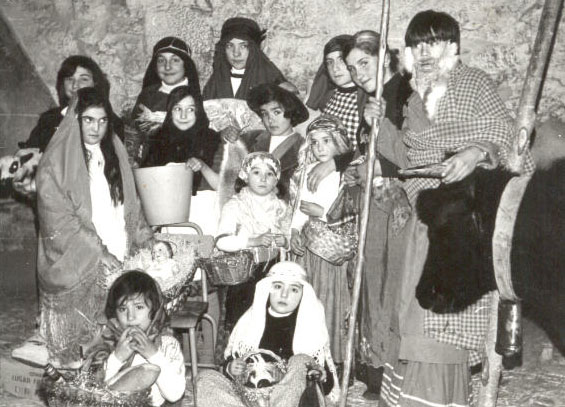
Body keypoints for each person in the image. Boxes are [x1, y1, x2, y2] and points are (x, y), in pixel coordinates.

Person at [366, 11, 534, 407]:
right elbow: (411, 158)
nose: (424, 52)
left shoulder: (473, 82)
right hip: (423, 222)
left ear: (453, 47)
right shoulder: (413, 96)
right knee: (413, 318)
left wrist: (476, 152)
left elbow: (509, 139)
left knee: (440, 324)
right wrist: (379, 126)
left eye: (434, 42)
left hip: (460, 228)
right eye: (417, 44)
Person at [34, 87, 155, 367]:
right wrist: (99, 252)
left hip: (117, 249)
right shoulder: (54, 163)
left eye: (102, 121)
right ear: (75, 120)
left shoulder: (113, 153)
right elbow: (60, 219)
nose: (96, 128)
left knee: (114, 348)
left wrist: (147, 239)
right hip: (82, 260)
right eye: (88, 120)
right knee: (78, 352)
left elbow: (130, 206)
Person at [341, 29, 412, 398]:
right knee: (371, 283)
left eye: (364, 63)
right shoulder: (369, 99)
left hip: (400, 202)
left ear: (384, 56)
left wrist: (380, 122)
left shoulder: (405, 92)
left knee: (393, 286)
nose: (358, 74)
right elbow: (370, 152)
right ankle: (376, 368)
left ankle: (395, 371)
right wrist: (358, 169)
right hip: (375, 198)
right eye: (352, 68)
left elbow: (410, 156)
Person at [196, 261, 340, 406]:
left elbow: (326, 385)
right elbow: (231, 366)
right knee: (205, 378)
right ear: (267, 289)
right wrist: (231, 368)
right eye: (277, 287)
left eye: (294, 289)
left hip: (289, 400)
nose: (284, 294)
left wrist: (319, 375)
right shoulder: (252, 319)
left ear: (303, 294)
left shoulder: (309, 325)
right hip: (250, 397)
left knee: (302, 361)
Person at [289, 115, 353, 371]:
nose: (320, 147)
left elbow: (351, 210)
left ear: (339, 141)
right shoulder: (307, 171)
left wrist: (324, 213)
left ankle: (332, 361)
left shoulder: (347, 173)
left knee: (329, 302)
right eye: (314, 142)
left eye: (326, 141)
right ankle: (305, 357)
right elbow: (299, 206)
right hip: (308, 249)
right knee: (308, 299)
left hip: (332, 251)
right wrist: (294, 231)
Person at [216, 152, 291, 328]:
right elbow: (221, 241)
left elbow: (289, 235)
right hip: (244, 274)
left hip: (274, 272)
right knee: (244, 323)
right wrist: (252, 241)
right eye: (256, 172)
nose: (263, 179)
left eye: (269, 174)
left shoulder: (281, 207)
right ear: (245, 176)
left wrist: (285, 242)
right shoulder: (235, 205)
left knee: (271, 322)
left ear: (276, 180)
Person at [104, 271, 185, 406]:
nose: (130, 317)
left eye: (139, 307)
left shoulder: (167, 345)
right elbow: (96, 393)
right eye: (123, 309)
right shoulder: (107, 342)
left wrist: (153, 355)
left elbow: (174, 394)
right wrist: (116, 358)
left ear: (155, 310)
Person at [19, 55, 123, 152]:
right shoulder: (48, 119)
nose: (75, 85)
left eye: (84, 79)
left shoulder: (110, 121)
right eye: (69, 79)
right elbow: (31, 151)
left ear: (95, 84)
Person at [139, 85, 221, 193]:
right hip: (163, 199)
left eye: (190, 109)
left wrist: (202, 165)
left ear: (198, 112)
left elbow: (225, 187)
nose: (183, 116)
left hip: (203, 201)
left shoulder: (213, 139)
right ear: (170, 112)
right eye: (178, 109)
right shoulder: (156, 139)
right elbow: (143, 184)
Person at [305, 35, 360, 192]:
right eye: (330, 62)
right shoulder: (329, 97)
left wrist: (335, 163)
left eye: (341, 60)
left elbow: (369, 148)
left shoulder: (365, 99)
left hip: (353, 178)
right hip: (325, 177)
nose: (335, 68)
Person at [132, 37, 201, 147]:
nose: (167, 67)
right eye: (161, 60)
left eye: (175, 60)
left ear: (186, 65)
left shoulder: (197, 98)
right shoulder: (147, 95)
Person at [203, 17, 287, 100]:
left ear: (254, 49)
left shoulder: (274, 84)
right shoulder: (215, 82)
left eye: (243, 46)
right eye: (230, 46)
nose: (236, 53)